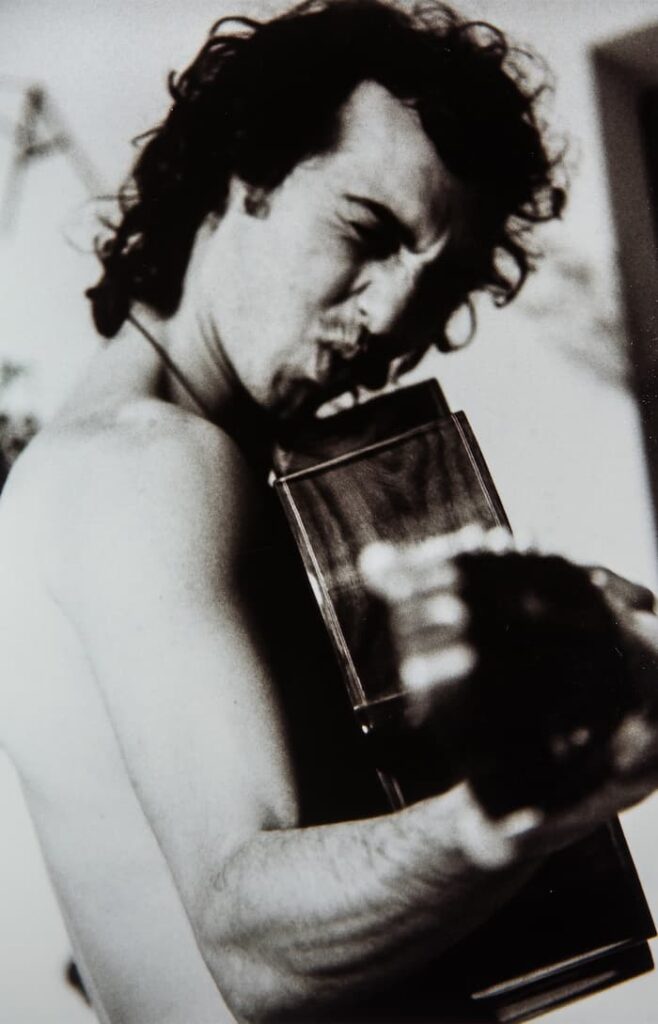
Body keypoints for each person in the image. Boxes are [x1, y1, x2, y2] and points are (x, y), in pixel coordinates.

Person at [1, 1, 657, 1021]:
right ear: (247, 176)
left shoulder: (99, 459)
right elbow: (251, 946)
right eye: (367, 232)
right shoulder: (154, 461)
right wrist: (542, 786)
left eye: (437, 280)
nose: (393, 315)